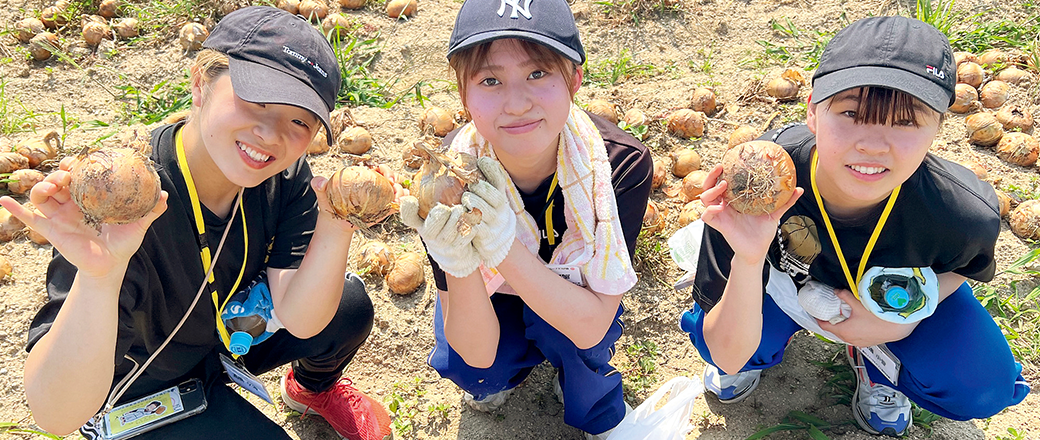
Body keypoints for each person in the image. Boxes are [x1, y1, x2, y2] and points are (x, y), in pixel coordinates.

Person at [2, 7, 392, 440]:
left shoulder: (285, 175)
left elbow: (302, 319)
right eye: (255, 100)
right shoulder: (124, 200)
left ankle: (309, 391)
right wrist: (100, 276)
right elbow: (56, 416)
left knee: (348, 306)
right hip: (133, 386)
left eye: (298, 120)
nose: (270, 132)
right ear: (199, 85)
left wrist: (338, 222)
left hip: (223, 336)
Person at [674, 15, 1030, 437]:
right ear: (811, 111)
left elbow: (959, 271)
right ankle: (772, 335)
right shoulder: (757, 181)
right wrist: (749, 261)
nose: (873, 144)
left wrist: (902, 319)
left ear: (937, 126)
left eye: (906, 121)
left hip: (898, 288)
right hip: (784, 281)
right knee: (729, 346)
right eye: (851, 112)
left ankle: (877, 364)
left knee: (981, 386)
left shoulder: (962, 214)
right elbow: (726, 353)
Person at [398, 0, 652, 438]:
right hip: (493, 294)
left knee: (578, 344)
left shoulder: (617, 167)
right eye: (490, 80)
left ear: (574, 79)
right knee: (477, 367)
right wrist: (460, 263)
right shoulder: (447, 181)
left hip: (576, 297)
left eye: (538, 73)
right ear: (464, 96)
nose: (516, 103)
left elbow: (592, 323)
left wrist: (502, 249)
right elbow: (474, 350)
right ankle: (506, 376)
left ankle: (588, 398)